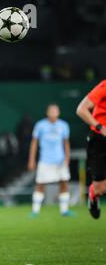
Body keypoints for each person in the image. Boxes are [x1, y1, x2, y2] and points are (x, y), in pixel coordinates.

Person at [28, 104, 73, 218]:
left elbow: (66, 143)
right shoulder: (40, 125)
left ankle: (64, 210)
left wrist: (67, 157)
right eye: (51, 111)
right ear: (47, 113)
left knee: (64, 183)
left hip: (60, 160)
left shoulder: (64, 125)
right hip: (45, 160)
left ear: (58, 113)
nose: (53, 113)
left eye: (55, 111)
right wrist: (32, 160)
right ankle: (35, 211)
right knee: (40, 184)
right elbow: (34, 143)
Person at [76, 80, 106, 219]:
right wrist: (101, 127)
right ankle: (93, 195)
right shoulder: (104, 86)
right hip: (99, 138)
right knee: (101, 188)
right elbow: (81, 109)